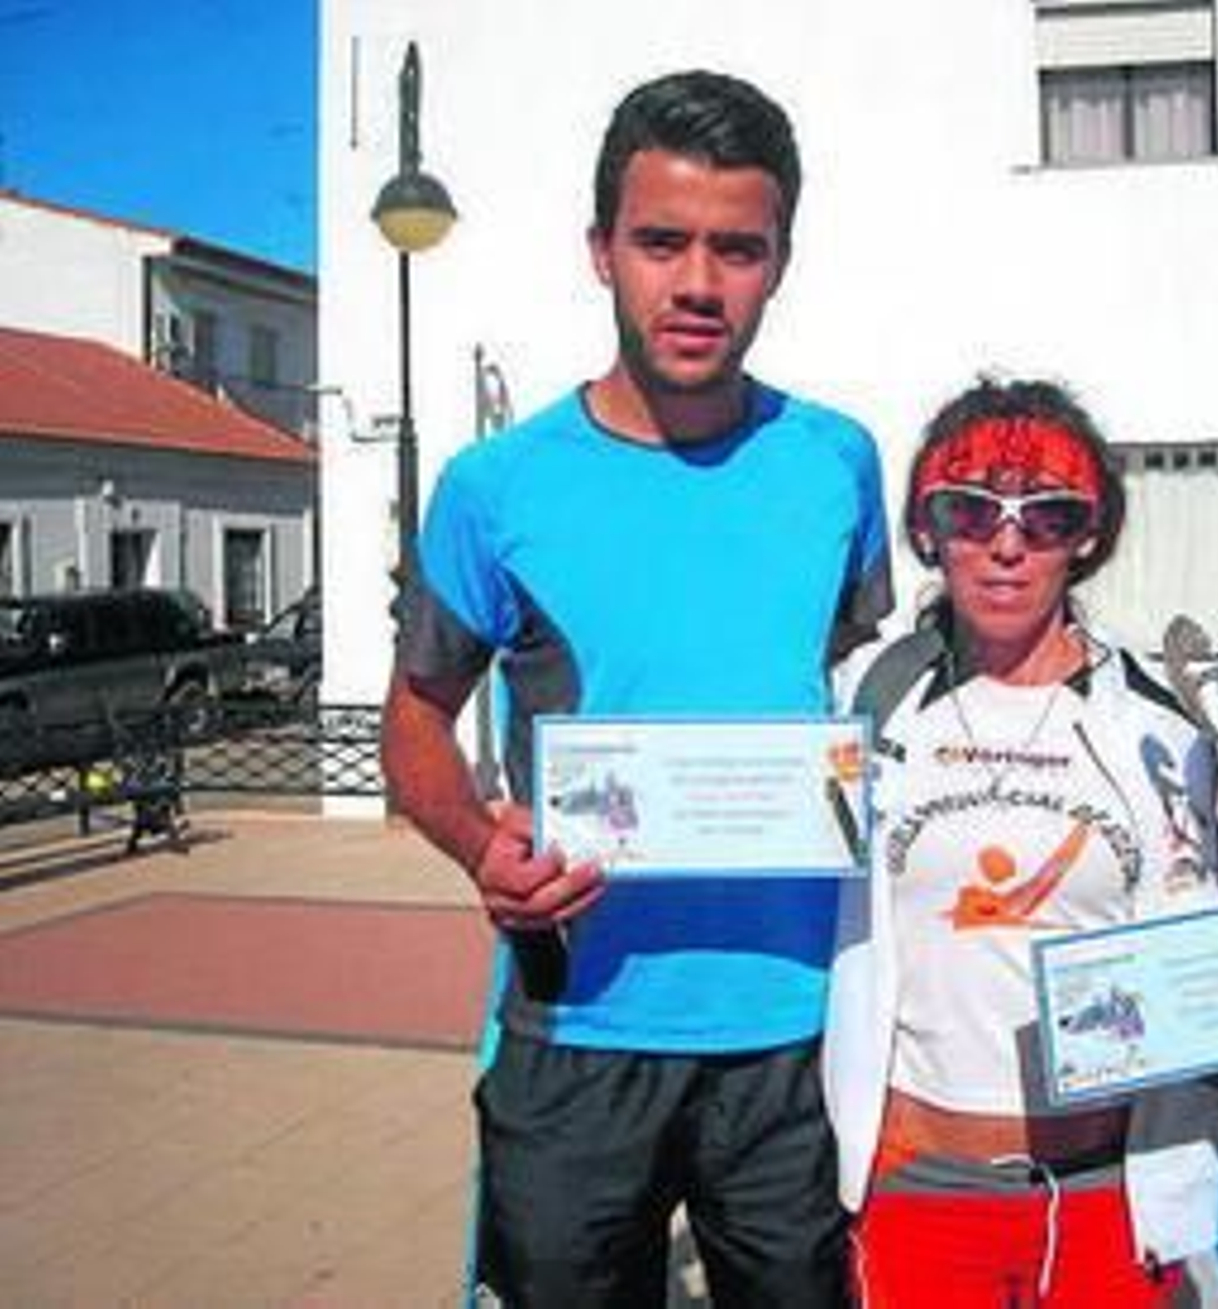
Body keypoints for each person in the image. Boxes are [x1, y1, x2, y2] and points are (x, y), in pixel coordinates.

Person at [381, 70, 892, 1308]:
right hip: (576, 1036)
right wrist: (471, 839)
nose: (700, 284)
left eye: (738, 248)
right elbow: (415, 723)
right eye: (663, 241)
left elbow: (817, 674)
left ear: (779, 260)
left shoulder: (837, 464)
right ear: (601, 249)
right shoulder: (494, 488)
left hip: (794, 1042)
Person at [823, 377, 1218, 1306]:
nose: (1005, 545)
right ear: (928, 527)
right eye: (969, 511)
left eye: (1046, 516)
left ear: (1089, 535)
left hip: (1111, 1198)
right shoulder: (858, 692)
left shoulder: (1172, 721)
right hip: (915, 1191)